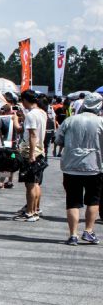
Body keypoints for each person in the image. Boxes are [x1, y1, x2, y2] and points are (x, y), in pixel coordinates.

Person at [55, 92, 103, 245]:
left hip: (71, 167)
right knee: (93, 200)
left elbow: (58, 139)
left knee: (72, 201)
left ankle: (73, 235)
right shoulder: (101, 122)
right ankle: (88, 231)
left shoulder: (70, 120)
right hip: (94, 166)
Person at [14, 89, 48, 222]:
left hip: (30, 151)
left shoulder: (31, 115)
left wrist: (31, 155)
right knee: (36, 183)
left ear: (25, 100)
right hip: (40, 150)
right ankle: (35, 209)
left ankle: (30, 212)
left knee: (30, 185)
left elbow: (33, 135)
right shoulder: (42, 113)